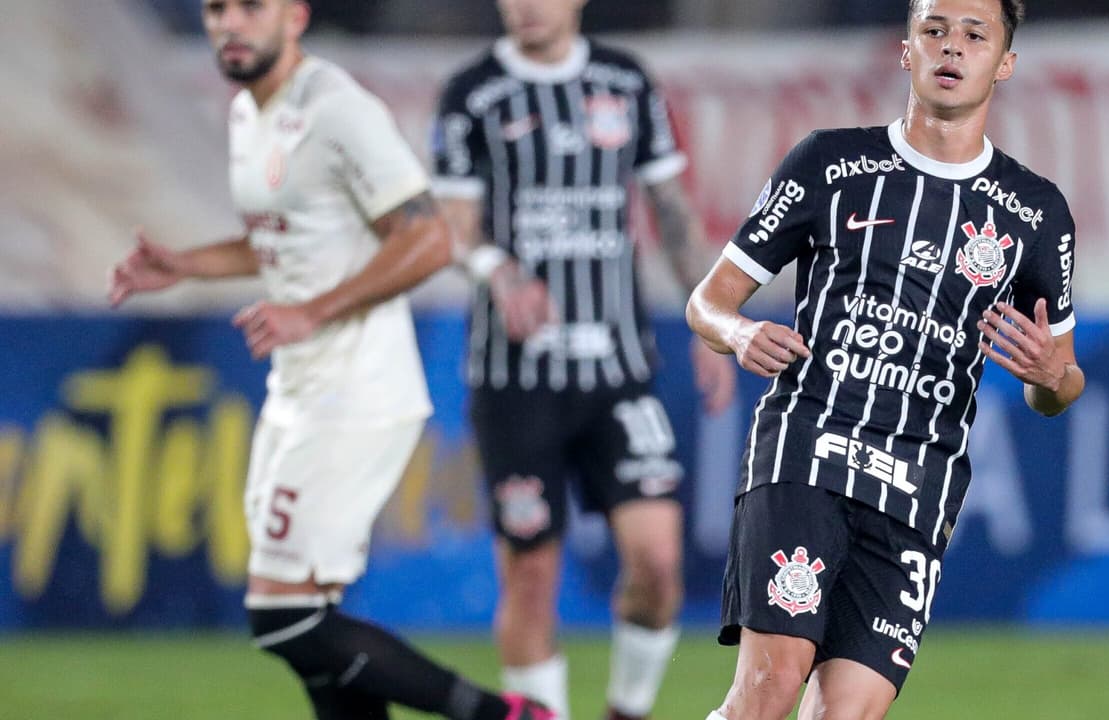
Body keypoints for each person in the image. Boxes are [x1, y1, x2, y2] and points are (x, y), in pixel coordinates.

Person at [107, 2, 554, 719]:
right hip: (301, 388)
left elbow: (430, 238)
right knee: (314, 621)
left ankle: (501, 714)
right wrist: (187, 264)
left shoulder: (337, 107)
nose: (229, 23)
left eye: (250, 6)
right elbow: (295, 238)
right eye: (216, 7)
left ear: (295, 16)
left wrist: (312, 311)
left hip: (357, 389)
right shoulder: (250, 113)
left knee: (281, 616)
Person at [686, 1, 1085, 718]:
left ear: (1006, 63)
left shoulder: (1035, 214)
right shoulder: (830, 163)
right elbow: (707, 302)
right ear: (907, 51)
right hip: (808, 448)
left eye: (974, 34)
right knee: (770, 688)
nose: (951, 47)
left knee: (849, 712)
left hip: (917, 486)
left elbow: (1060, 378)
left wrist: (1053, 380)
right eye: (934, 30)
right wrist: (740, 333)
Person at [430, 0, 737, 717]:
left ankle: (626, 711)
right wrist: (498, 272)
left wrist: (712, 318)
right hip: (515, 380)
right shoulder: (471, 93)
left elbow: (671, 212)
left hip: (620, 372)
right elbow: (451, 224)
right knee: (531, 574)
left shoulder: (625, 81)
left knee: (658, 563)